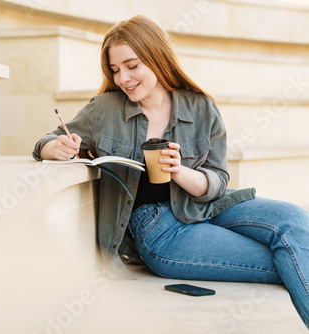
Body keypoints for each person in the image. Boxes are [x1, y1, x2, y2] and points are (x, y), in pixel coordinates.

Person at [32, 15, 309, 327]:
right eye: (115, 69)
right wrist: (53, 148)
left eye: (132, 65)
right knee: (293, 256)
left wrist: (179, 172)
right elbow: (47, 139)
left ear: (156, 56)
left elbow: (218, 180)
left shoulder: (201, 107)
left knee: (296, 221)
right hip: (160, 228)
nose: (123, 77)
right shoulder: (105, 109)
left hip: (212, 206)